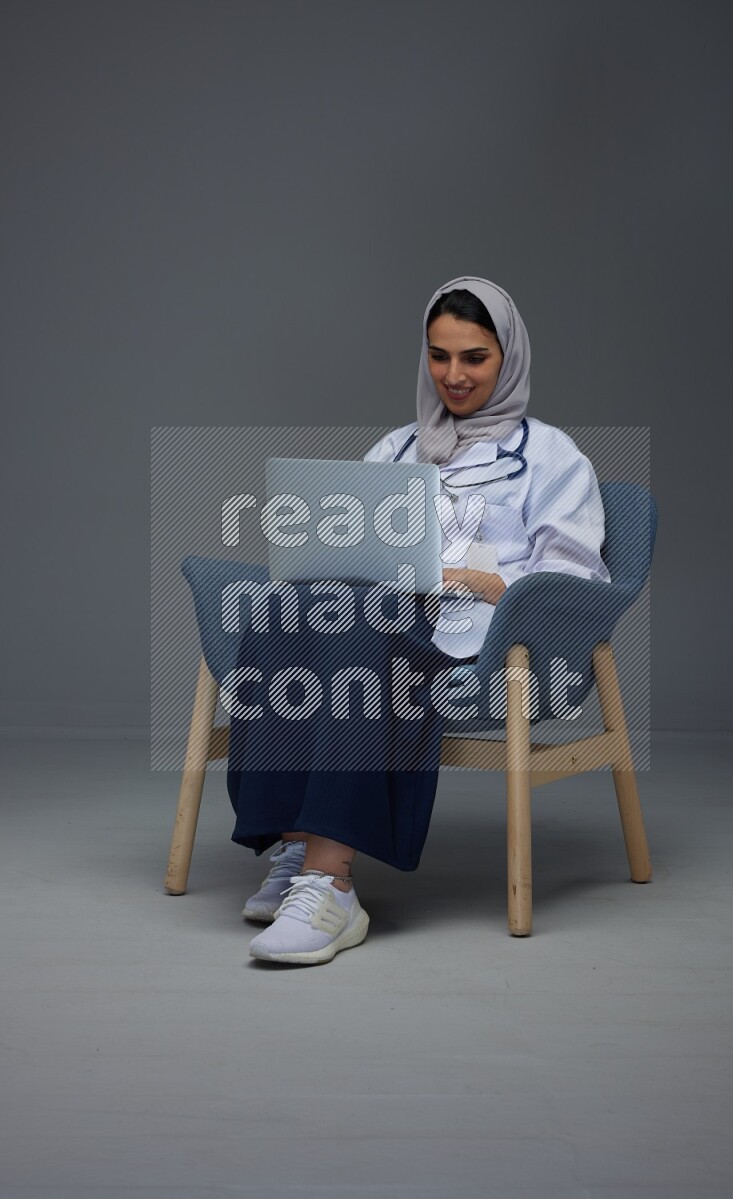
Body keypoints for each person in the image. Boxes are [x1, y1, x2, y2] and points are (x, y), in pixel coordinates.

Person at [228, 276, 611, 965]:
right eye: (439, 356)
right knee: (283, 606)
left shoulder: (554, 457)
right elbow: (348, 548)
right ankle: (290, 847)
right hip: (391, 619)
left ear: (509, 357)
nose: (454, 376)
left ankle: (330, 883)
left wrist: (478, 579)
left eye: (474, 357)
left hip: (487, 646)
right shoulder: (397, 450)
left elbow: (575, 580)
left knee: (357, 633)